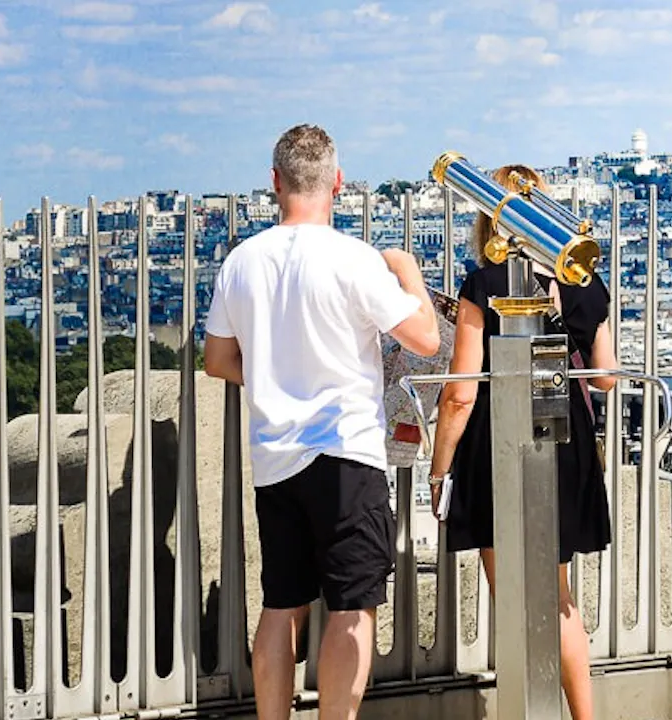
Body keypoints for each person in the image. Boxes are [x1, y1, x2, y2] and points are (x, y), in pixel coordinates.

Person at [203, 124, 440, 720]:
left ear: (275, 182)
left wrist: (271, 376)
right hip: (345, 452)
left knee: (281, 603)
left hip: (274, 457)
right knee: (353, 607)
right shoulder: (354, 259)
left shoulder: (241, 261)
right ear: (337, 181)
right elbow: (426, 339)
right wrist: (407, 271)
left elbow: (217, 361)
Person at [427, 165, 617, 720]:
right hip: (566, 436)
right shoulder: (585, 280)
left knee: (511, 593)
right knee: (558, 598)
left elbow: (461, 392)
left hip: (500, 440)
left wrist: (439, 472)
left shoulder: (484, 283)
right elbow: (605, 377)